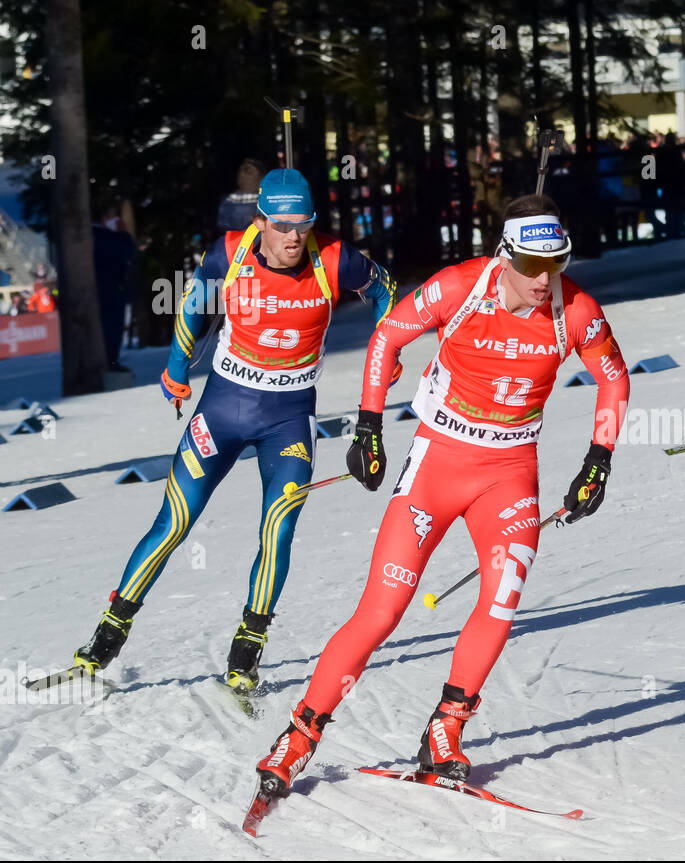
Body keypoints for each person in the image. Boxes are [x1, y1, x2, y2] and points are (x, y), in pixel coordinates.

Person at [252, 194, 631, 796]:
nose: (544, 279)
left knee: (502, 599)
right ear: (504, 255)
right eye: (531, 265)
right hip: (437, 462)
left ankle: (445, 730)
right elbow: (385, 338)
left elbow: (614, 378)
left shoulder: (576, 309)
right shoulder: (459, 286)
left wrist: (598, 461)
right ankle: (299, 736)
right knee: (383, 611)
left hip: (510, 471)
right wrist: (369, 428)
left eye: (555, 264)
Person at [72, 169, 397, 693]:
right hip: (222, 410)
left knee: (279, 526)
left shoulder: (336, 260)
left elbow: (385, 291)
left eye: (305, 225)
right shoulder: (228, 254)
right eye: (284, 225)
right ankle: (104, 640)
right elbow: (193, 308)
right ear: (262, 221)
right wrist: (177, 371)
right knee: (174, 522)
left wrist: (387, 347)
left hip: (289, 420)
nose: (295, 237)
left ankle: (246, 652)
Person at [91, 199, 136, 371]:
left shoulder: (103, 236)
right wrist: (124, 235)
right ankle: (110, 361)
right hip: (108, 291)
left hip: (113, 289)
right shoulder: (102, 236)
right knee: (111, 327)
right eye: (111, 216)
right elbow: (124, 253)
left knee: (114, 327)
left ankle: (111, 359)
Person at [216, 159, 265, 233]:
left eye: (250, 173)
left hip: (232, 240)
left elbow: (222, 225)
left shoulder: (227, 200)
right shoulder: (264, 201)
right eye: (246, 172)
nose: (247, 179)